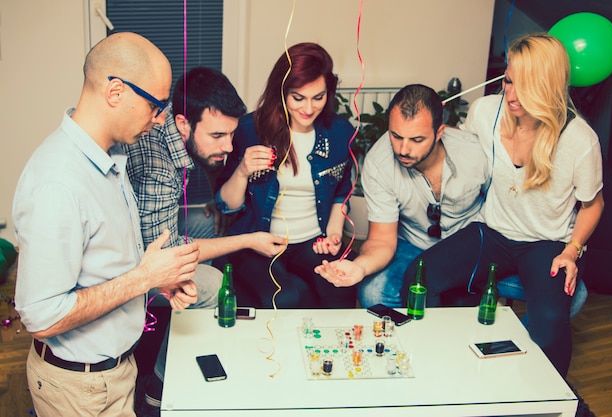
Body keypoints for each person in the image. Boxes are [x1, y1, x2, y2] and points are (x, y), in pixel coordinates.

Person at [13, 32, 201, 417]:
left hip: (113, 373)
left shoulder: (110, 157)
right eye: (155, 104)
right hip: (79, 388)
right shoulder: (59, 182)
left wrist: (157, 281)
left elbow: (102, 267)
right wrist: (143, 278)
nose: (160, 117)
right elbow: (42, 315)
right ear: (115, 92)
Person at [402, 33, 604, 378]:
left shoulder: (579, 139)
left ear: (547, 85)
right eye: (508, 81)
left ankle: (542, 402)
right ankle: (440, 369)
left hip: (546, 242)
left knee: (551, 323)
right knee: (418, 279)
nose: (509, 94)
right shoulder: (486, 112)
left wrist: (572, 250)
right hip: (491, 231)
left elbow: (593, 204)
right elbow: (463, 157)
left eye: (522, 86)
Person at [123, 66, 287, 414]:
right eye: (217, 135)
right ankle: (159, 387)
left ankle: (181, 334)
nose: (228, 146)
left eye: (231, 134)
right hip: (136, 265)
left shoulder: (167, 122)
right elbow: (167, 261)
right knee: (211, 284)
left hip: (150, 234)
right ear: (184, 123)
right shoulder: (160, 173)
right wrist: (248, 239)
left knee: (205, 223)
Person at [314, 84, 490, 308]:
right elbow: (381, 239)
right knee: (373, 292)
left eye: (417, 140)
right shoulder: (379, 163)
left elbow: (499, 212)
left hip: (469, 243)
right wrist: (360, 267)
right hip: (412, 243)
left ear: (439, 133)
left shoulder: (475, 153)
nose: (403, 149)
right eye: (396, 136)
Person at [215, 42, 356, 308]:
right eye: (298, 98)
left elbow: (341, 191)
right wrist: (243, 171)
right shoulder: (249, 129)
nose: (309, 108)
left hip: (311, 243)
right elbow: (226, 205)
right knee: (287, 298)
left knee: (339, 285)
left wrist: (333, 235)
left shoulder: (340, 132)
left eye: (319, 97)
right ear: (281, 92)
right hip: (258, 244)